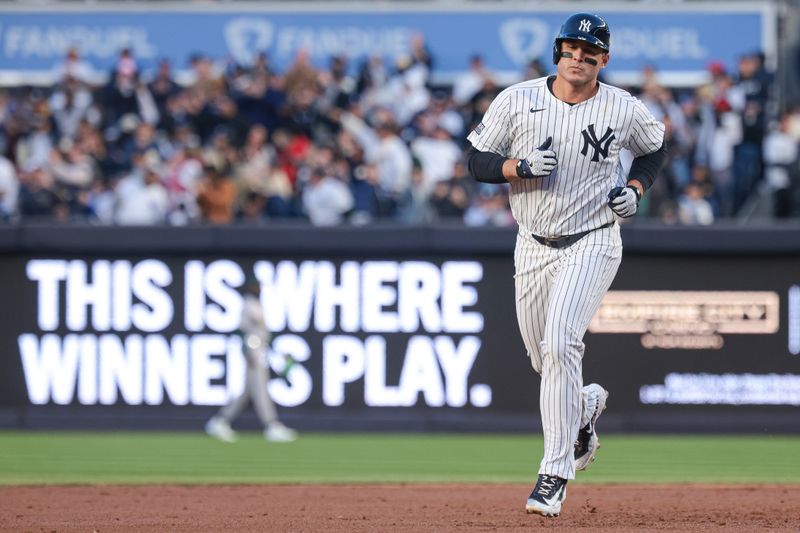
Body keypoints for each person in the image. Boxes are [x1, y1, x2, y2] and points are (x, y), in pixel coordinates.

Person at [465, 13, 666, 517]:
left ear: (604, 59)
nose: (579, 57)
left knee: (560, 344)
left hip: (594, 238)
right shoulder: (517, 99)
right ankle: (582, 410)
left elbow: (654, 150)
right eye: (571, 48)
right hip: (532, 242)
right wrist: (518, 166)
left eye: (589, 51)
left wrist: (635, 190)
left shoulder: (622, 106)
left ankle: (555, 472)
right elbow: (477, 161)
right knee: (544, 361)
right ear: (558, 52)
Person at [205, 278, 298, 443]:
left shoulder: (256, 304)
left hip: (260, 349)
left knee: (247, 392)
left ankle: (220, 421)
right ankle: (272, 425)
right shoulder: (248, 305)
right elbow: (243, 332)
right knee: (261, 390)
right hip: (253, 353)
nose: (260, 288)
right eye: (257, 286)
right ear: (251, 287)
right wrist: (249, 354)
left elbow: (262, 333)